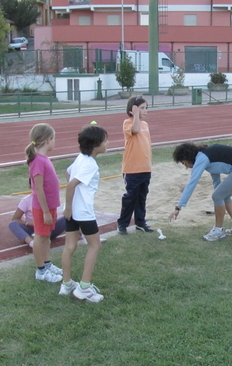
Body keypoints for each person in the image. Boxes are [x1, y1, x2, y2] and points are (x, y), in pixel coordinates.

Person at [59, 125, 110, 303]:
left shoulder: (80, 158)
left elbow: (67, 172)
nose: (107, 143)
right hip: (83, 213)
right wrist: (68, 207)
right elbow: (71, 184)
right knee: (95, 246)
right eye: (105, 140)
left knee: (70, 246)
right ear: (96, 145)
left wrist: (69, 208)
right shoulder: (90, 164)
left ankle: (66, 284)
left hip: (73, 211)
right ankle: (84, 288)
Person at [168, 142, 232, 241]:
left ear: (188, 157)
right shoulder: (206, 155)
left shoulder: (202, 158)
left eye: (185, 163)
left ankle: (218, 230)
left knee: (218, 196)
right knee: (222, 196)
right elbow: (216, 179)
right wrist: (219, 196)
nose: (186, 167)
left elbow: (192, 183)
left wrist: (179, 207)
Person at [26, 123, 64, 284]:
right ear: (48, 140)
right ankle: (40, 270)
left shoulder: (44, 159)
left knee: (46, 237)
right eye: (54, 138)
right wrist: (46, 212)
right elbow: (38, 189)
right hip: (42, 208)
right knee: (40, 238)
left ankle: (47, 264)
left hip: (50, 206)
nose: (55, 141)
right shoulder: (37, 162)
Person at [117, 95, 154, 235]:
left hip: (145, 167)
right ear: (133, 109)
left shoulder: (145, 124)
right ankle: (123, 224)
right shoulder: (128, 123)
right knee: (130, 197)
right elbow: (135, 130)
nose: (146, 111)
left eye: (146, 108)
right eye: (142, 108)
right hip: (132, 168)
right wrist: (136, 115)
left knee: (142, 196)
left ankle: (140, 222)